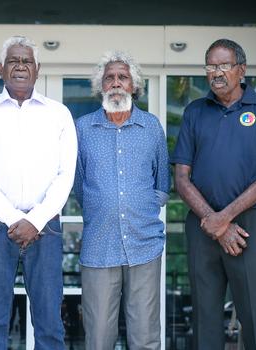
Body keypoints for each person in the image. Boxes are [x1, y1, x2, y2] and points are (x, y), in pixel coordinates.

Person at [172, 38, 256, 349]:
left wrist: (224, 219)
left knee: (254, 316)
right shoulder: (195, 111)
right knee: (205, 317)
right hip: (202, 226)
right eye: (211, 66)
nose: (216, 72)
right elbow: (181, 178)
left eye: (224, 65)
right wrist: (214, 221)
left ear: (242, 69)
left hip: (249, 226)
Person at [0, 35, 77, 349]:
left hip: (46, 227)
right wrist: (16, 219)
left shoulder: (58, 114)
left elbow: (65, 174)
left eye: (26, 61)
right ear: (1, 68)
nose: (20, 66)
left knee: (49, 320)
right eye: (13, 60)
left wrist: (36, 220)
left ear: (37, 69)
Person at [74, 51, 170, 350]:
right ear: (100, 86)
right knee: (99, 337)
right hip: (99, 246)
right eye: (109, 78)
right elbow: (76, 182)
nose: (116, 83)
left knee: (145, 338)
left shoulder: (151, 126)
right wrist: (100, 206)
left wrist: (142, 208)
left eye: (123, 77)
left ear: (134, 85)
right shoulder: (82, 129)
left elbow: (163, 182)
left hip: (144, 245)